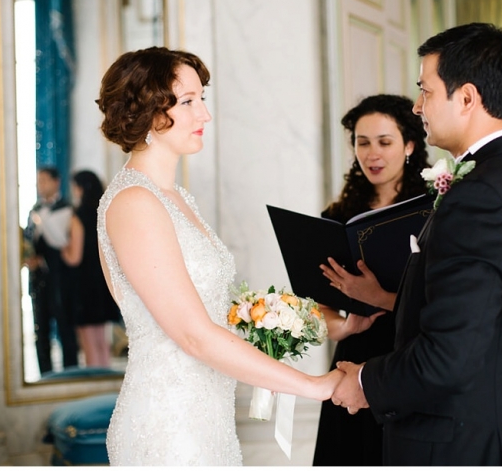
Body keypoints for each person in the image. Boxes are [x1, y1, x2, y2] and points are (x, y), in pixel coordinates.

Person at [331, 23, 502, 466]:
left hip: (467, 444)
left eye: (426, 90)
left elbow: (448, 356)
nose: (418, 106)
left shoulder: (479, 197)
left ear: (466, 98)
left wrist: (364, 382)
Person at [94, 46, 343, 465]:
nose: (204, 116)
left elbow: (212, 313)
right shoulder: (135, 202)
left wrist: (318, 323)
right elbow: (193, 334)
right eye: (188, 102)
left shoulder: (175, 197)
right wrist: (315, 385)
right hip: (168, 427)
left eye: (201, 100)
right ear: (150, 111)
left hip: (206, 420)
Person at [312, 94, 429, 466]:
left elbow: (443, 304)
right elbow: (322, 308)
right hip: (353, 359)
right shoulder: (336, 216)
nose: (372, 153)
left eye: (385, 142)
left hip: (411, 356)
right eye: (363, 143)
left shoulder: (434, 211)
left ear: (409, 145)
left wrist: (377, 297)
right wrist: (344, 328)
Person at [61, 170, 121, 368]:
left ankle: (94, 386)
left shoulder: (77, 217)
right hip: (102, 281)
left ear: (79, 189)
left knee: (88, 342)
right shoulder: (105, 212)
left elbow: (75, 257)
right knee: (102, 342)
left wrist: (63, 250)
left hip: (84, 283)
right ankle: (104, 384)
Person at [24, 166, 79, 375]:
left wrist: (42, 220)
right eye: (39, 181)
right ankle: (44, 374)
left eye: (45, 180)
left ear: (56, 182)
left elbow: (60, 240)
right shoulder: (34, 209)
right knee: (41, 327)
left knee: (65, 324)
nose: (41, 185)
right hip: (38, 277)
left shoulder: (65, 209)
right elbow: (30, 239)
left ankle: (71, 372)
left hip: (61, 276)